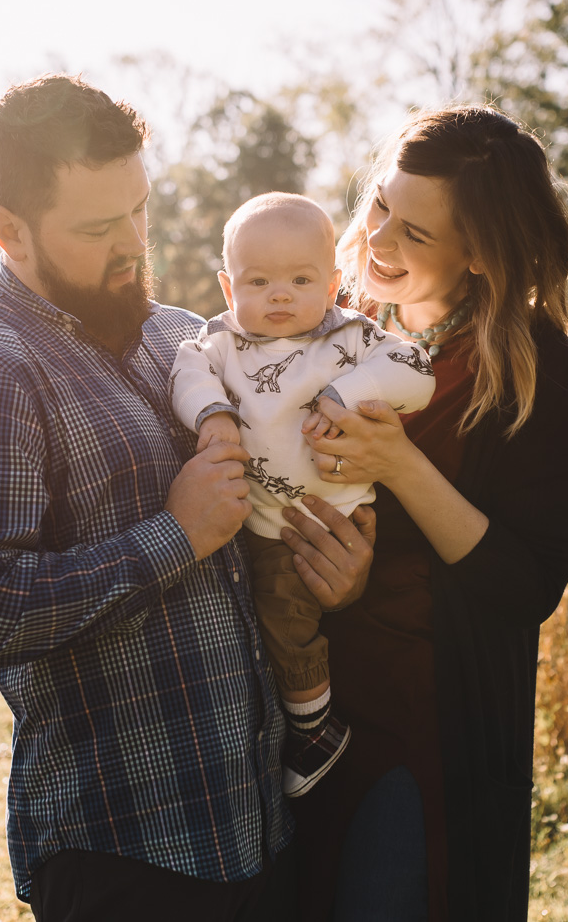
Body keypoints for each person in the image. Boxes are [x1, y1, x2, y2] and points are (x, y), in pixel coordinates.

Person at [0, 74, 375, 922]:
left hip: (261, 821)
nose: (132, 244)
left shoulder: (180, 336)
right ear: (9, 232)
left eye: (138, 210)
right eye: (95, 226)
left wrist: (331, 561)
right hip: (126, 852)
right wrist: (175, 536)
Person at [287, 106, 568, 921]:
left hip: (423, 722)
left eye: (415, 235)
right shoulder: (319, 319)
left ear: (480, 254)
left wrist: (399, 465)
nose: (379, 241)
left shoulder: (527, 361)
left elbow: (528, 584)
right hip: (286, 702)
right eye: (381, 205)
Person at [169, 193, 436, 798]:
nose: (280, 294)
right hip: (261, 524)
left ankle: (314, 729)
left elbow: (418, 372)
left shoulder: (352, 337)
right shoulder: (218, 343)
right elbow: (186, 372)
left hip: (332, 516)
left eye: (300, 279)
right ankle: (293, 721)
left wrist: (351, 391)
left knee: (285, 620)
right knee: (261, 621)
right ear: (227, 285)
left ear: (335, 283)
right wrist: (212, 416)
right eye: (258, 280)